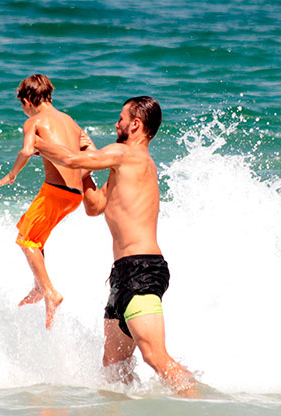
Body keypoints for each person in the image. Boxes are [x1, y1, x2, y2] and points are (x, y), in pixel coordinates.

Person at [34, 96, 196, 395]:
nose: (116, 123)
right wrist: (88, 162)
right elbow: (94, 206)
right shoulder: (124, 163)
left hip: (142, 269)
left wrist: (37, 141)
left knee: (154, 356)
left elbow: (69, 160)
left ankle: (204, 410)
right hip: (123, 274)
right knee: (113, 367)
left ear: (135, 124)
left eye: (121, 118)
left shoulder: (128, 155)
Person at [0, 74, 89, 329]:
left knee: (25, 239)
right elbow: (90, 150)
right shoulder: (69, 121)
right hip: (74, 195)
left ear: (26, 101)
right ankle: (38, 285)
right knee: (32, 231)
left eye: (22, 106)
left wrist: (12, 175)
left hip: (55, 192)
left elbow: (26, 150)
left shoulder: (34, 121)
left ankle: (49, 292)